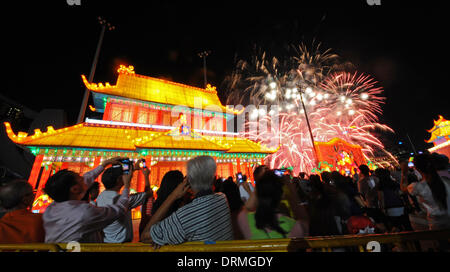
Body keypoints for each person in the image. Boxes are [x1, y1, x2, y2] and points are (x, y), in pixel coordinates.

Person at [141, 156, 233, 246]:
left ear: (188, 181)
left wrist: (173, 195)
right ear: (213, 178)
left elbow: (145, 237)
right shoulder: (222, 199)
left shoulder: (184, 216)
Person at [42, 157, 131, 243]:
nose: (84, 179)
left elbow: (87, 178)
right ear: (75, 189)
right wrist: (126, 185)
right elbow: (119, 209)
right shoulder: (84, 212)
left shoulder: (51, 209)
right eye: (80, 178)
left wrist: (104, 164)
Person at [96, 159, 152, 243]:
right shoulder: (125, 200)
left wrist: (133, 169)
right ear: (119, 179)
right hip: (122, 245)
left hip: (106, 242)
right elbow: (148, 193)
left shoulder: (100, 197)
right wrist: (146, 175)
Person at [237, 170, 305, 239]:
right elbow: (304, 221)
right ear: (281, 195)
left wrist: (258, 187)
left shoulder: (246, 220)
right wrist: (291, 190)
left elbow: (247, 208)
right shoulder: (295, 226)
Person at [400, 153, 450, 230]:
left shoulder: (418, 186)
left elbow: (403, 189)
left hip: (436, 222)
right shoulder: (446, 181)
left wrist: (404, 173)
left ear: (417, 168)